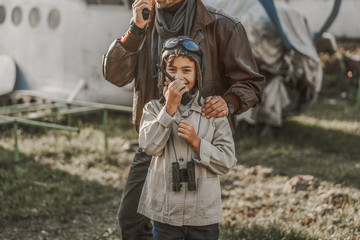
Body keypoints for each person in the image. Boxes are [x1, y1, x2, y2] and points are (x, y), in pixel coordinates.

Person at [102, 0, 265, 238]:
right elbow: (115, 75)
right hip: (156, 139)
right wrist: (136, 30)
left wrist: (230, 102)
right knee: (132, 220)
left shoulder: (223, 26)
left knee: (195, 225)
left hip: (197, 137)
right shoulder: (144, 22)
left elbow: (250, 83)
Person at [138, 36, 237, 239]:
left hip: (203, 216)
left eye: (186, 70)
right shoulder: (152, 109)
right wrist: (169, 109)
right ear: (163, 74)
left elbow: (227, 161)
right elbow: (149, 147)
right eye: (172, 70)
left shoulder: (212, 111)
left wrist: (197, 142)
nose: (178, 77)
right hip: (166, 214)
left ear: (198, 74)